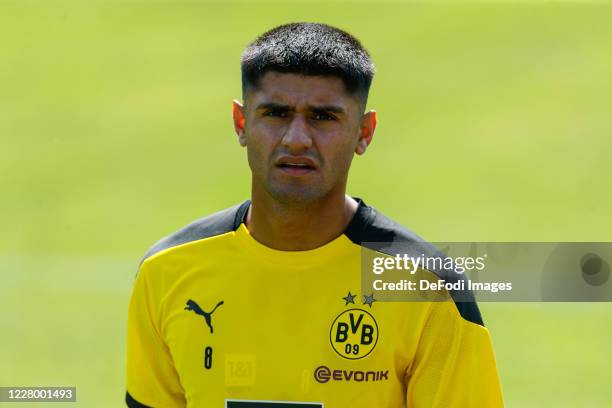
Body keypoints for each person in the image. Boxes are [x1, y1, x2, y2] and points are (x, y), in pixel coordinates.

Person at [125, 22, 503, 407]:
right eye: (275, 113)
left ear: (364, 132)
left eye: (323, 117)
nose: (296, 138)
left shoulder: (427, 288)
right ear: (241, 123)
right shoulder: (166, 272)